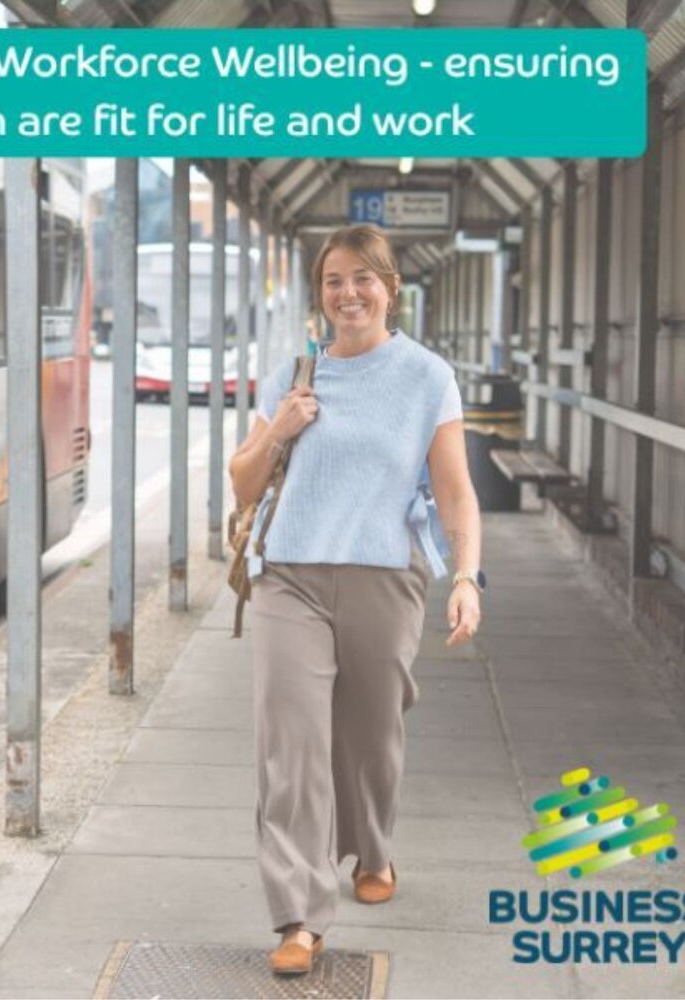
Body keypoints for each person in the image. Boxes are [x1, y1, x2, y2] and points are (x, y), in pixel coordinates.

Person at [228, 224, 483, 976]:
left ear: (390, 288)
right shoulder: (293, 376)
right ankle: (300, 915)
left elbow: (455, 492)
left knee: (372, 733)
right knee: (291, 746)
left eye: (362, 278)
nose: (348, 293)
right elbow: (242, 483)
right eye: (334, 280)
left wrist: (466, 577)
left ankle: (372, 848)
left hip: (383, 577)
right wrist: (280, 428)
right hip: (289, 577)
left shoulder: (427, 377)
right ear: (321, 293)